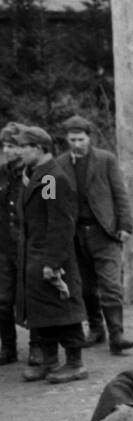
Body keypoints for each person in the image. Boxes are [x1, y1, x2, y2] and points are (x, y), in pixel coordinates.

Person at [13, 125, 87, 383]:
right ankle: (50, 360)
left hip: (51, 256)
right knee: (42, 312)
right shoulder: (37, 175)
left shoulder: (50, 178)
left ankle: (75, 364)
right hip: (35, 255)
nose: (19, 152)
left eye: (24, 147)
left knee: (62, 311)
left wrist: (52, 261)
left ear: (39, 148)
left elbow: (60, 222)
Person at [57, 114, 133, 353]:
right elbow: (51, 197)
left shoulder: (106, 160)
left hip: (105, 232)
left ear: (89, 138)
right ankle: (96, 329)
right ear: (66, 140)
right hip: (75, 235)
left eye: (81, 139)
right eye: (72, 140)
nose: (77, 144)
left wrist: (125, 225)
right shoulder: (58, 165)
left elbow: (120, 193)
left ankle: (117, 335)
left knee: (111, 285)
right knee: (85, 288)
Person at [0, 122, 24, 365]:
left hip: (29, 246)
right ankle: (8, 347)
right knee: (3, 301)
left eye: (13, 146)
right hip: (5, 247)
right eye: (5, 146)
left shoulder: (37, 174)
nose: (8, 151)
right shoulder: (2, 174)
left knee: (34, 301)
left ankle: (40, 348)